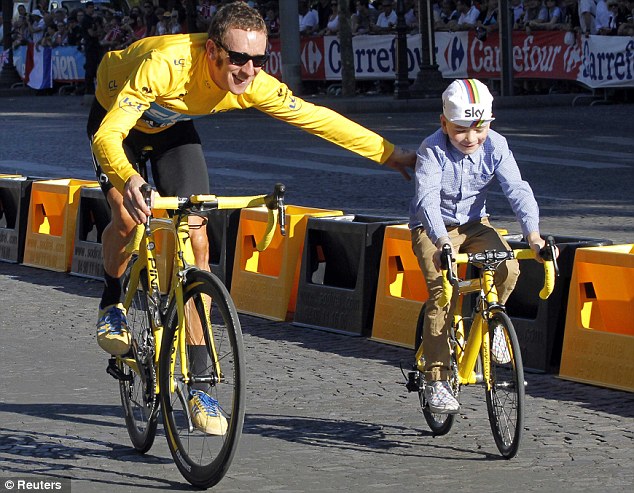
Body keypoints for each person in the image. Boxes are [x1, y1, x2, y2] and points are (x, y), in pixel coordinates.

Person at [88, 2, 415, 434]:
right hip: (117, 121)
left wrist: (390, 156)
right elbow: (107, 135)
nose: (249, 70)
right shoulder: (165, 65)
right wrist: (129, 179)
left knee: (197, 241)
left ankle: (201, 380)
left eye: (259, 59)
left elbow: (315, 118)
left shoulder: (253, 82)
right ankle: (112, 301)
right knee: (127, 219)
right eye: (239, 58)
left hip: (172, 129)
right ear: (212, 52)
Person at [409, 79, 552, 414]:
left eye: (480, 128)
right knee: (443, 292)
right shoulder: (431, 149)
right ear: (443, 123)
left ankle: (490, 323)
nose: (471, 138)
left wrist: (533, 235)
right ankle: (437, 378)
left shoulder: (497, 146)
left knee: (509, 267)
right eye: (461, 130)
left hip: (475, 224)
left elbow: (517, 188)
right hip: (433, 228)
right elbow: (426, 199)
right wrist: (442, 241)